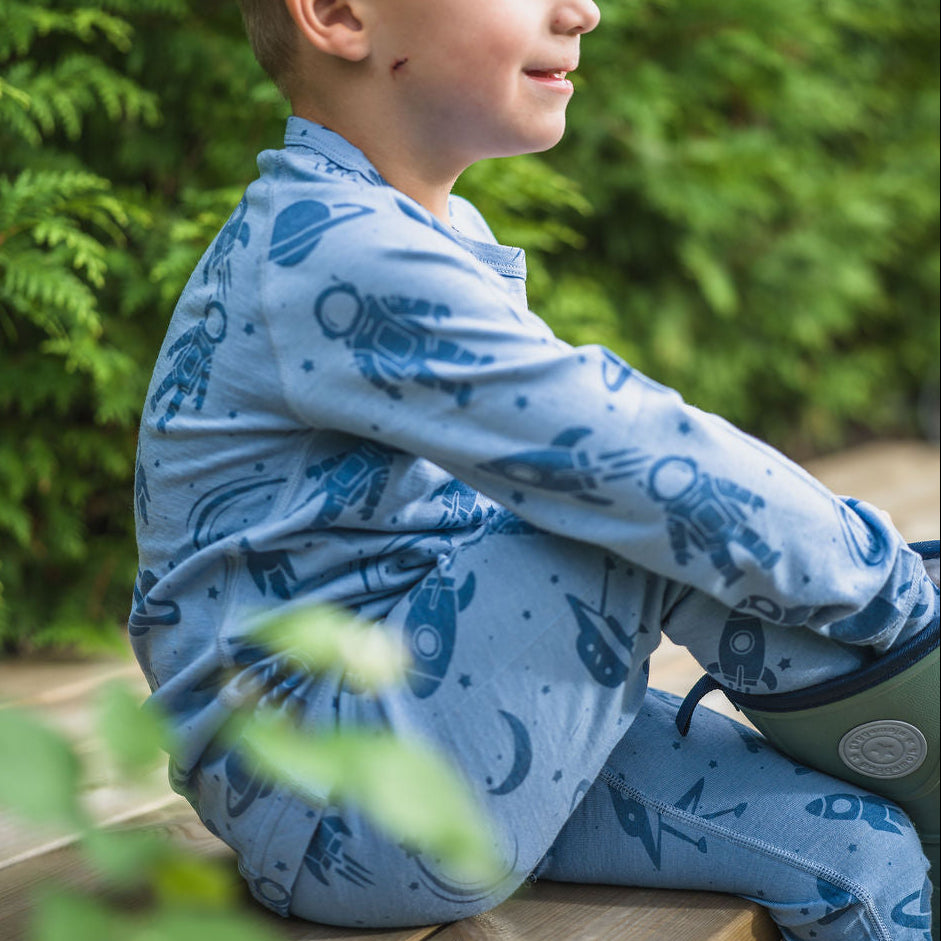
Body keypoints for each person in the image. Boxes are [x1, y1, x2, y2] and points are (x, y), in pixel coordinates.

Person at [130, 1, 939, 937]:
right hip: (336, 791)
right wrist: (891, 590)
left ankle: (919, 755)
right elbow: (635, 460)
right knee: (632, 508)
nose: (581, 9)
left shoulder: (422, 226)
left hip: (450, 714)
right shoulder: (327, 252)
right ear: (341, 14)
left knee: (862, 850)